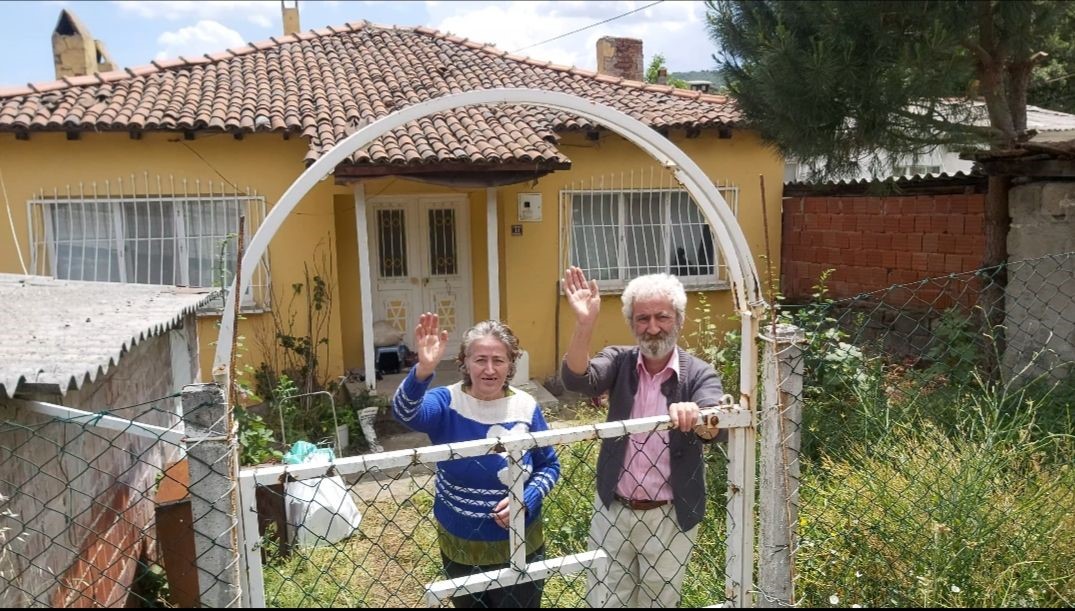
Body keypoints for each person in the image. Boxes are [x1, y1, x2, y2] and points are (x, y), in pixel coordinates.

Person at [559, 266, 725, 608]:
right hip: (613, 508)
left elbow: (717, 424)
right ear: (632, 323)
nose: (652, 328)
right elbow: (577, 380)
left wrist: (698, 415)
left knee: (658, 602)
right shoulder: (619, 361)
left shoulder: (698, 373)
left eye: (662, 317)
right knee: (605, 600)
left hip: (670, 515)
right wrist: (585, 323)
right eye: (642, 318)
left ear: (679, 320)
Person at [391, 314, 561, 608]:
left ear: (510, 365)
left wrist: (527, 498)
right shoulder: (447, 402)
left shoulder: (526, 406)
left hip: (521, 544)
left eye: (499, 360)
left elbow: (549, 466)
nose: (489, 369)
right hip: (462, 548)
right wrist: (423, 370)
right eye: (480, 359)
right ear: (465, 362)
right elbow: (405, 413)